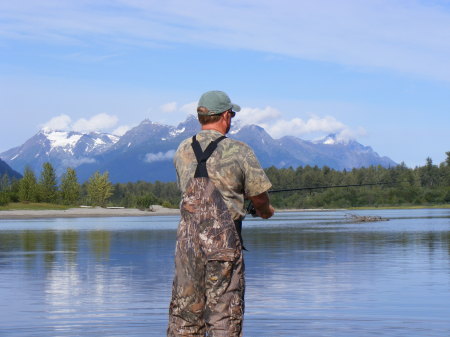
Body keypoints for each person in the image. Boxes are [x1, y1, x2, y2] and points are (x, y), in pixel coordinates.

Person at [167, 90, 274, 336]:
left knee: (184, 314)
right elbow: (258, 197)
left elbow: (190, 192)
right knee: (224, 314)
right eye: (232, 114)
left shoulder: (182, 149)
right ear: (226, 115)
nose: (232, 118)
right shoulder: (239, 150)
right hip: (223, 245)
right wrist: (265, 211)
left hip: (187, 247)